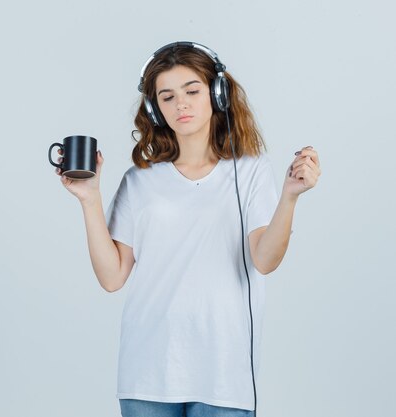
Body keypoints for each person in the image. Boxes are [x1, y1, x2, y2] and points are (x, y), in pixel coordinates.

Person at [54, 42, 321, 417]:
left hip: (225, 376)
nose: (181, 104)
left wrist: (290, 198)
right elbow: (112, 277)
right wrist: (89, 199)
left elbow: (264, 260)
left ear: (217, 94)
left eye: (192, 91)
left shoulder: (250, 170)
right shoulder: (141, 181)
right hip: (147, 372)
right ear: (154, 108)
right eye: (167, 96)